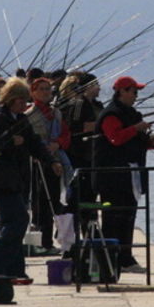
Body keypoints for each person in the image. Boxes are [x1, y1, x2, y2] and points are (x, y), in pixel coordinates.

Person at [0, 77, 62, 279]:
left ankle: (14, 271)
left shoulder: (21, 119)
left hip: (17, 179)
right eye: (22, 100)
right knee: (20, 220)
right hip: (1, 179)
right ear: (12, 99)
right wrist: (9, 141)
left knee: (9, 223)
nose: (25, 104)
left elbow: (34, 144)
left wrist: (51, 161)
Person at [94, 76, 154, 273]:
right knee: (114, 217)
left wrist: (152, 140)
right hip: (112, 177)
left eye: (137, 91)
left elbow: (140, 141)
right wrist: (136, 129)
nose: (136, 95)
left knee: (129, 215)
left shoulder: (133, 114)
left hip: (131, 174)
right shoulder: (110, 114)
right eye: (133, 91)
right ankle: (111, 259)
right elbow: (115, 138)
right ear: (121, 91)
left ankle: (126, 257)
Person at [25, 78, 72, 254]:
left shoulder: (57, 113)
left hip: (57, 159)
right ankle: (43, 241)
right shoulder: (29, 114)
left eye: (48, 89)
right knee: (41, 202)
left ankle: (52, 238)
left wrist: (58, 144)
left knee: (55, 198)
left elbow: (66, 135)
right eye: (42, 89)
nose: (46, 92)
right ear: (33, 92)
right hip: (38, 162)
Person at [61, 73, 104, 233]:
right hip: (79, 158)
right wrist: (98, 126)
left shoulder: (98, 105)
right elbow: (75, 128)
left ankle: (89, 231)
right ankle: (70, 236)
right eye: (95, 84)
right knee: (77, 198)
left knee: (91, 197)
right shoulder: (78, 104)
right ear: (86, 87)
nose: (99, 87)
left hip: (94, 158)